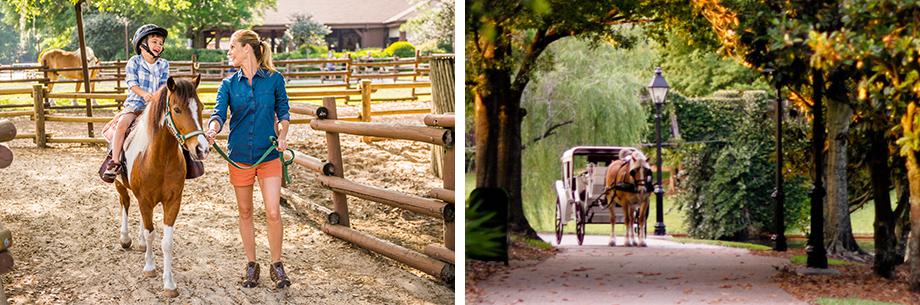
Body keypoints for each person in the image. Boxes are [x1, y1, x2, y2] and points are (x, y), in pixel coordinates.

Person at [205, 29, 292, 289]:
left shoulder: (274, 80)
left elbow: (284, 112)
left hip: (268, 154)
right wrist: (212, 129)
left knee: (273, 212)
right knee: (245, 211)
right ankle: (251, 265)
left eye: (232, 47)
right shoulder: (229, 84)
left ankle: (276, 265)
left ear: (247, 49)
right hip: (240, 156)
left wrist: (283, 133)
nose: (229, 52)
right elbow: (218, 113)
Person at [103, 24, 169, 180]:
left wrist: (158, 99)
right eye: (154, 41)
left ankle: (186, 160)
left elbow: (164, 85)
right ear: (142, 44)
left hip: (156, 107)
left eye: (160, 43)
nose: (158, 46)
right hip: (135, 104)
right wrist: (144, 94)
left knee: (175, 125)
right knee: (122, 125)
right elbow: (132, 83)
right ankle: (115, 161)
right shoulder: (134, 62)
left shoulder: (163, 64)